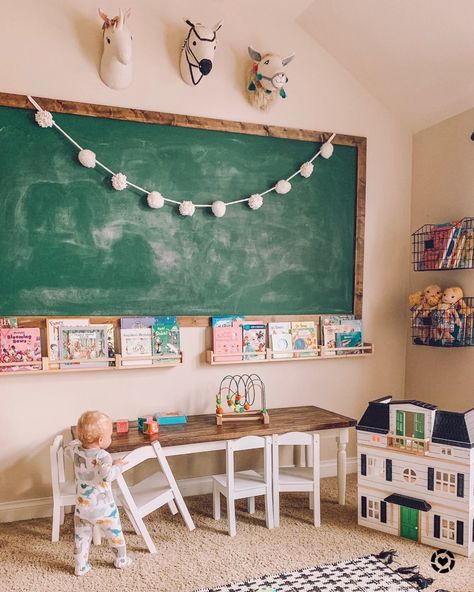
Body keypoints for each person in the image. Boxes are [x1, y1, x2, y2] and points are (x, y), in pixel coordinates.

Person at [67, 411, 131, 576]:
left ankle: (80, 566)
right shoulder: (104, 456)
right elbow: (107, 476)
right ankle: (121, 559)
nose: (111, 437)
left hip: (82, 508)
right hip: (103, 509)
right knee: (114, 532)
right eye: (110, 435)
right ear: (101, 440)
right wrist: (118, 466)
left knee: (81, 537)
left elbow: (68, 446)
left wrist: (80, 439)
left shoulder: (75, 451)